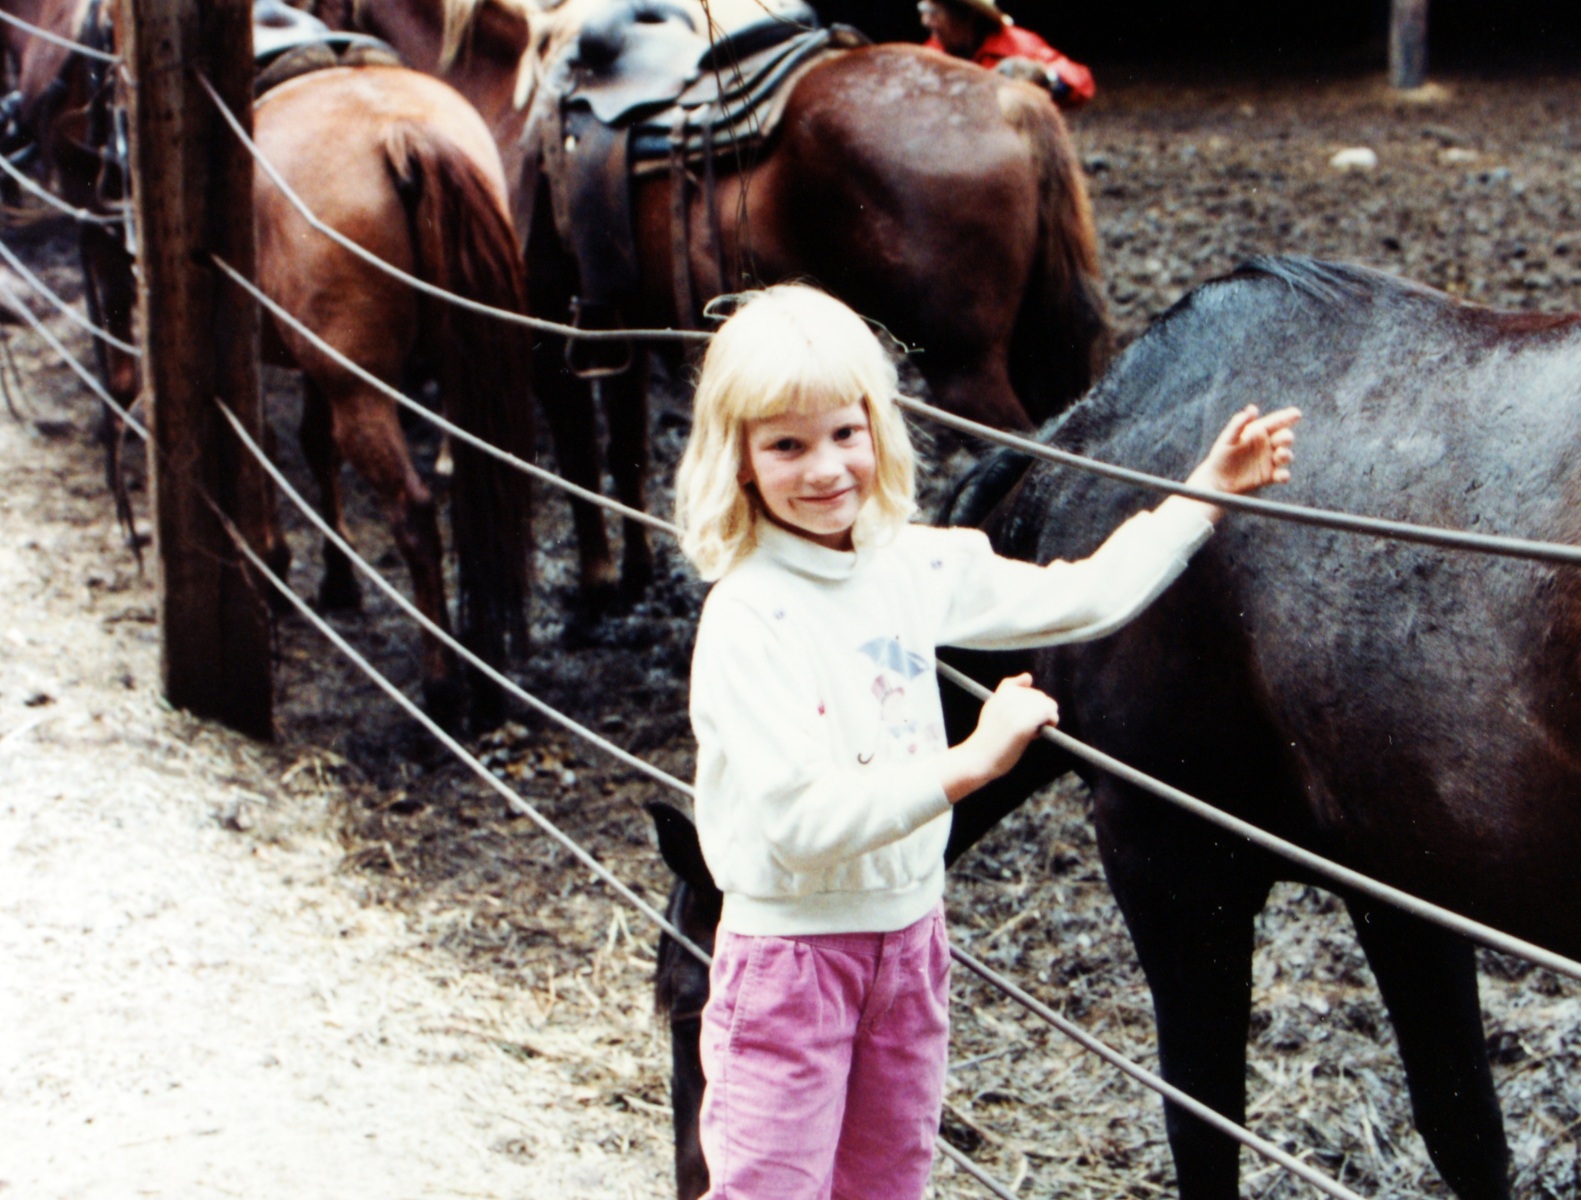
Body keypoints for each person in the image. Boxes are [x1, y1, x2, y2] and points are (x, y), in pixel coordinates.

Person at [673, 283, 1299, 1199]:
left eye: (844, 432)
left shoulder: (910, 564)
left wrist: (1204, 494)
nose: (825, 469)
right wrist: (968, 764)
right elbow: (797, 824)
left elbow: (1082, 595)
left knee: (889, 1185)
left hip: (908, 945)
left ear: (878, 427)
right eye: (786, 446)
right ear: (736, 459)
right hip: (790, 963)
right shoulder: (748, 616)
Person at [918, 0, 1096, 109]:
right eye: (923, 11)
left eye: (933, 13)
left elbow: (1081, 84)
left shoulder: (1015, 43)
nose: (925, 21)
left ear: (966, 14)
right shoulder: (931, 52)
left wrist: (1045, 77)